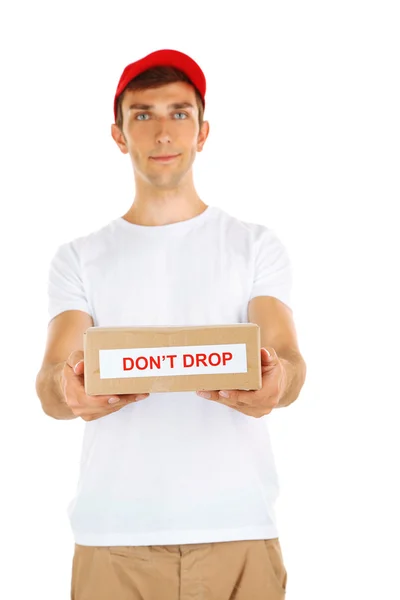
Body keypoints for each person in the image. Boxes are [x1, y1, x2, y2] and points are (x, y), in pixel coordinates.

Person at [35, 48, 307, 600]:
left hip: (240, 532)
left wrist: (278, 382)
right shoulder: (79, 257)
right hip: (114, 540)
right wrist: (68, 389)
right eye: (144, 114)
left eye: (180, 113)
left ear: (203, 132)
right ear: (118, 134)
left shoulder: (254, 246)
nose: (163, 132)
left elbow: (286, 357)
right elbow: (50, 382)